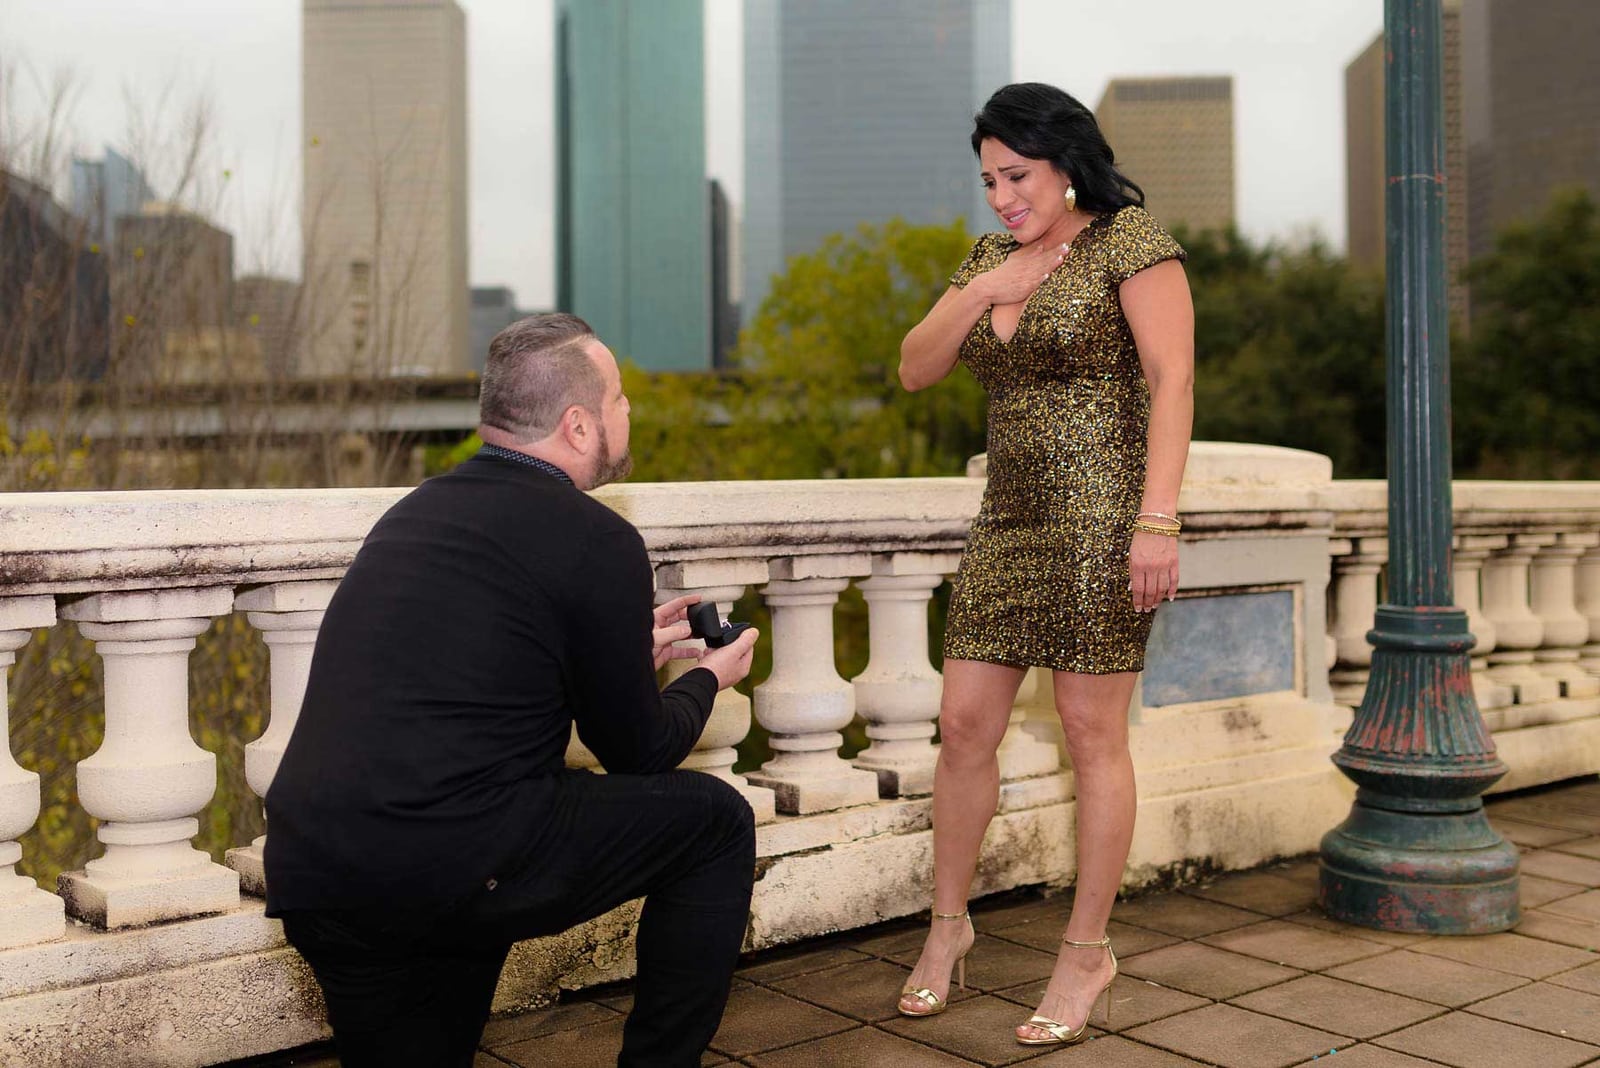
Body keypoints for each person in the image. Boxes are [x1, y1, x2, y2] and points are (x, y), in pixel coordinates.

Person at [264, 312, 761, 1068]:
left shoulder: (414, 513)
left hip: (318, 871)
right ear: (579, 425)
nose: (629, 412)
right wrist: (706, 678)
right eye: (619, 399)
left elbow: (479, 672)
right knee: (715, 821)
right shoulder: (597, 536)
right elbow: (640, 751)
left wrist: (621, 651)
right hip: (453, 859)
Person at [895, 82, 1195, 1046]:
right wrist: (983, 290)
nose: (1001, 196)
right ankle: (948, 930)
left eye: (1015, 175)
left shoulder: (1131, 242)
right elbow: (914, 367)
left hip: (1104, 517)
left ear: (1066, 162)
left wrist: (1157, 520)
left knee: (1089, 732)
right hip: (1009, 519)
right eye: (987, 180)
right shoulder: (990, 260)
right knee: (962, 722)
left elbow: (1173, 379)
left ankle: (1085, 953)